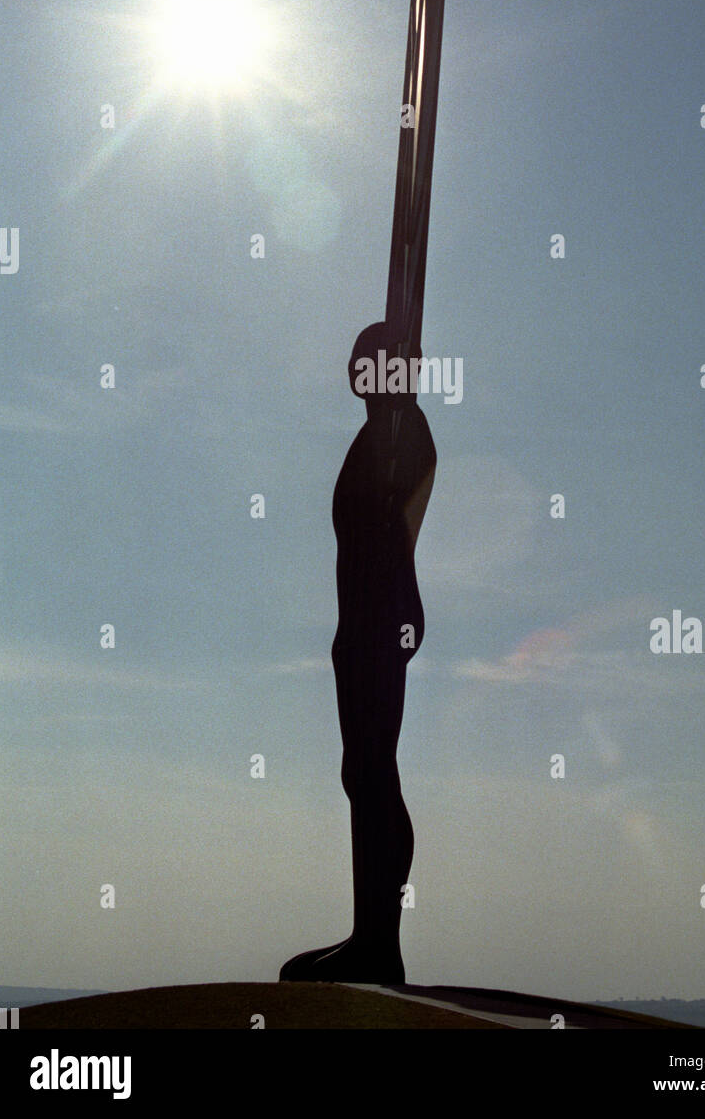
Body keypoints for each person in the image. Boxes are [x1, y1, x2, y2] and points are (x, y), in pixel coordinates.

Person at [280, 321, 436, 983]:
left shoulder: (402, 434)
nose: (352, 369)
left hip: (381, 622)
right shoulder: (376, 435)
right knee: (362, 773)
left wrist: (398, 615)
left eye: (365, 359)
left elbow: (398, 526)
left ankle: (380, 939)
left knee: (375, 772)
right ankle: (368, 932)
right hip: (361, 626)